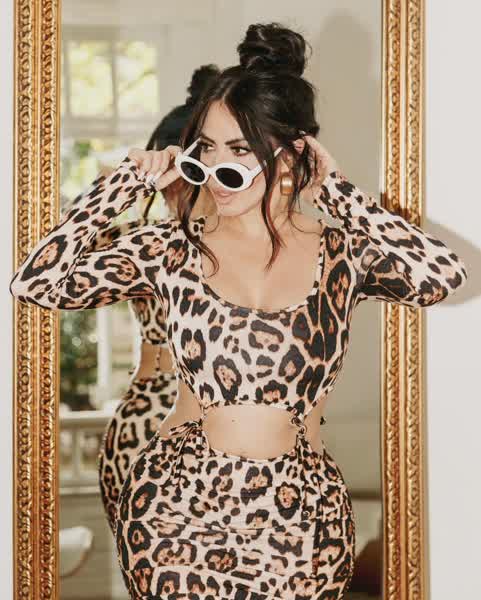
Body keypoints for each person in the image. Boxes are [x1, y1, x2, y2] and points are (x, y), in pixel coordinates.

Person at [10, 22, 467, 600]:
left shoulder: (341, 254)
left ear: (291, 155)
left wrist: (338, 193)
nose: (214, 172)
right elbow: (36, 282)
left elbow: (440, 276)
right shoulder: (170, 250)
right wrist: (123, 186)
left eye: (238, 151)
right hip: (176, 513)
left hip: (302, 520)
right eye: (205, 149)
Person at [66, 64, 220, 532]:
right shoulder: (142, 240)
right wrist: (123, 181)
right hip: (141, 417)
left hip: (217, 427)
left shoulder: (242, 241)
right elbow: (58, 260)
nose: (174, 189)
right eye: (165, 175)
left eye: (185, 174)